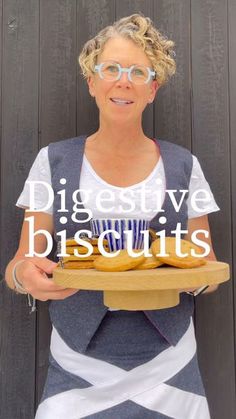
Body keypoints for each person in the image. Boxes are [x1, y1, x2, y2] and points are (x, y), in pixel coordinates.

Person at [5, 13, 220, 419]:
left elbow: (204, 268)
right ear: (92, 81)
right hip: (76, 363)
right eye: (112, 69)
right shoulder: (51, 162)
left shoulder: (184, 166)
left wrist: (193, 278)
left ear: (152, 88)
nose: (124, 81)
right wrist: (25, 279)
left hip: (170, 363)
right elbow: (20, 264)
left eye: (139, 71)